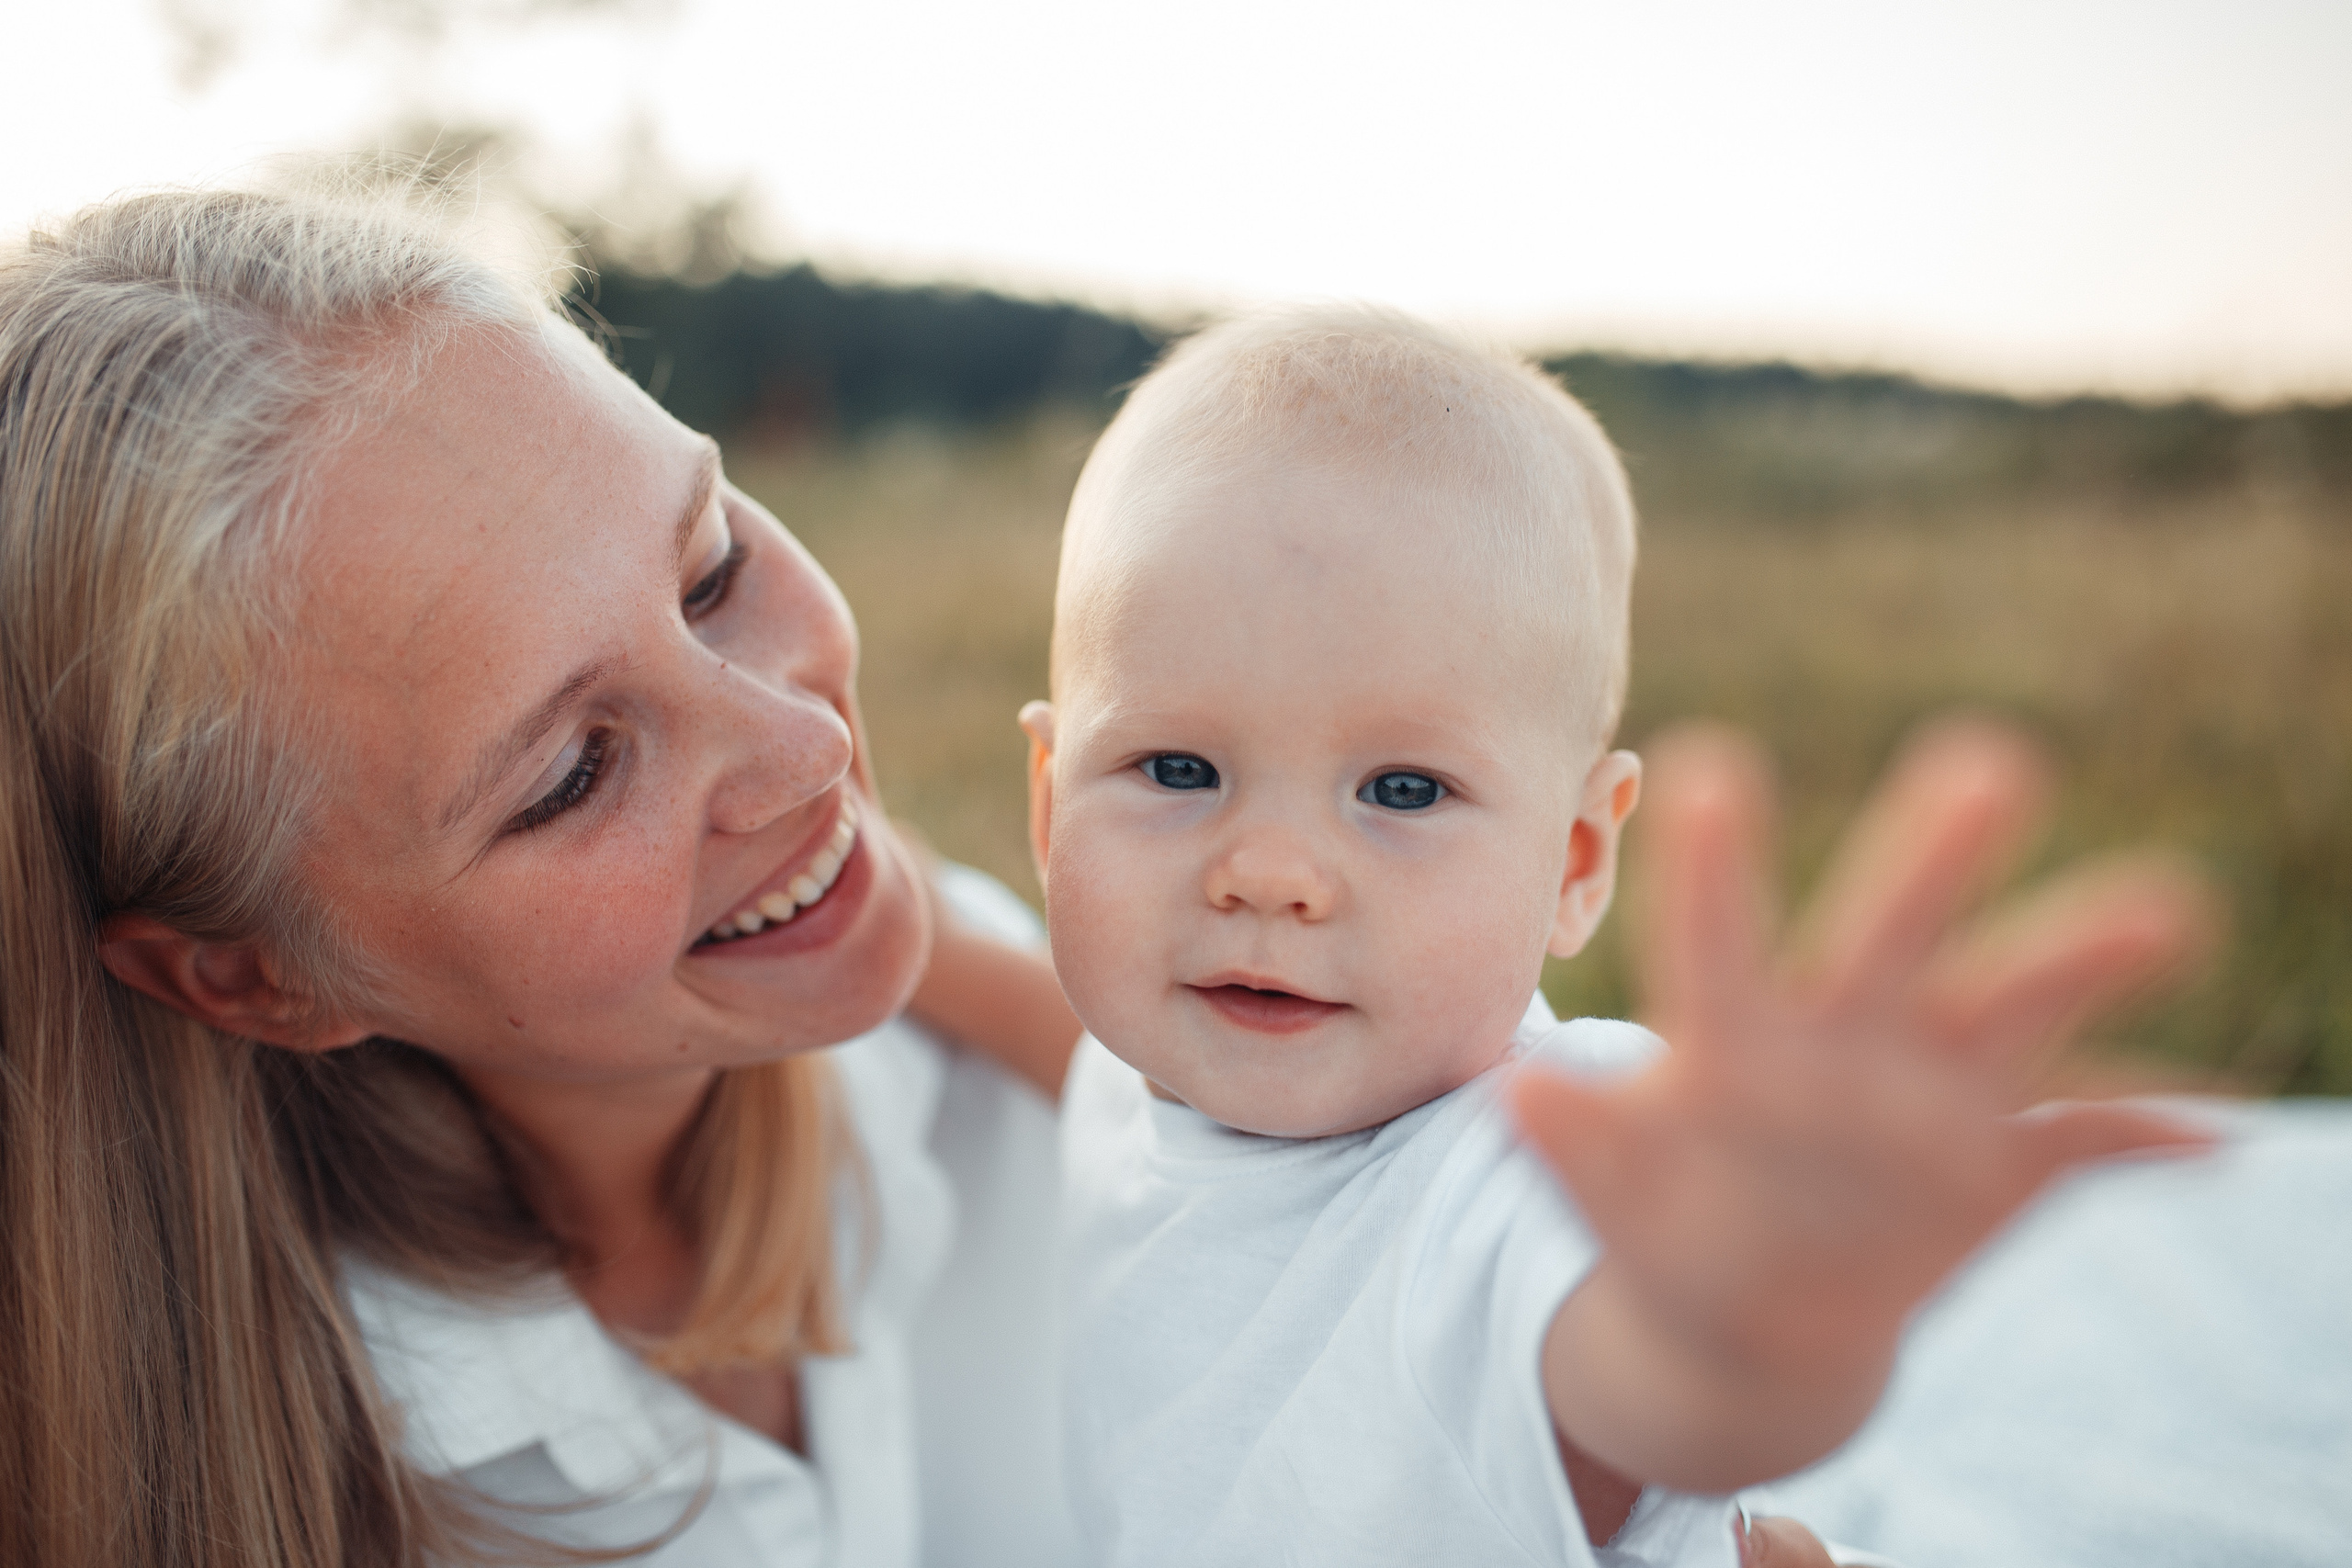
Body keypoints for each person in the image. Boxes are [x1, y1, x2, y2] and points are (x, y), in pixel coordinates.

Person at [0, 181, 1087, 1568]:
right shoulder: (283, 1489)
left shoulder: (1014, 1072)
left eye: (712, 569)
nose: (807, 745)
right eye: (572, 774)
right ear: (256, 976)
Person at [1023, 308, 2213, 1565]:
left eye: (1404, 791)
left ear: (1578, 859)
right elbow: (1022, 1020)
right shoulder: (1130, 1063)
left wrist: (1756, 1308)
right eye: (1176, 766)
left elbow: (1656, 1386)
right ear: (1050, 805)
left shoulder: (1545, 1161)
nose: (1269, 874)